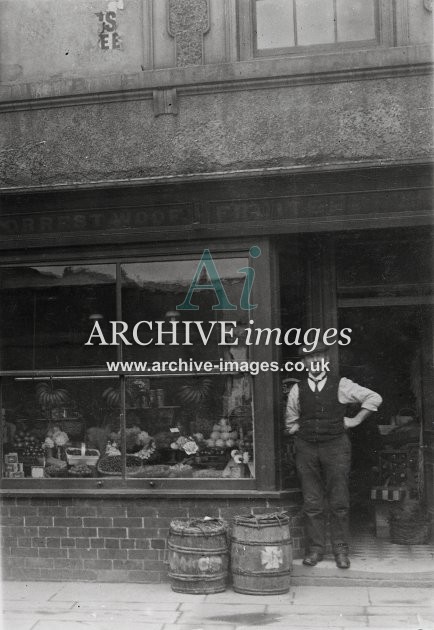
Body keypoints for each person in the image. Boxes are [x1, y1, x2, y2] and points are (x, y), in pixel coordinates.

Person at [285, 342, 382, 569]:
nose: (315, 361)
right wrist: (304, 432)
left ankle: (340, 551)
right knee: (312, 501)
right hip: (307, 449)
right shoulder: (297, 389)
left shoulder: (342, 385)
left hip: (336, 447)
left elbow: (374, 398)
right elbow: (291, 423)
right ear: (303, 363)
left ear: (326, 361)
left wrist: (355, 420)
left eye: (319, 356)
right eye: (309, 358)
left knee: (339, 500)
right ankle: (315, 550)